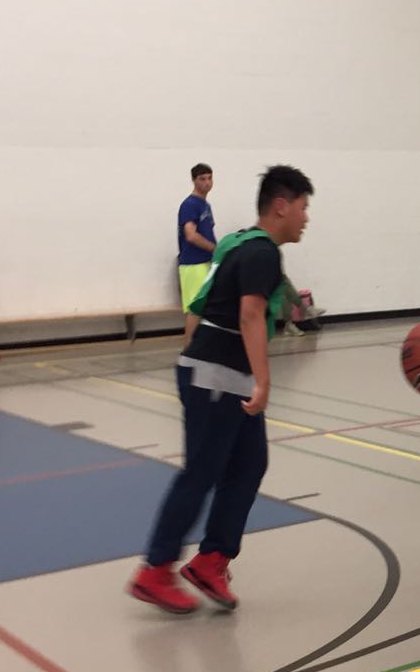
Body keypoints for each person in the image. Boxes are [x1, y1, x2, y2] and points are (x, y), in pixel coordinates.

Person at [128, 164, 313, 615]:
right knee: (202, 472)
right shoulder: (261, 252)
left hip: (228, 376)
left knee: (249, 464)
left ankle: (212, 560)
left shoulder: (241, 244)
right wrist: (264, 380)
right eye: (303, 208)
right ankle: (155, 570)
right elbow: (250, 316)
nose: (306, 218)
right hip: (214, 376)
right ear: (281, 206)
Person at [178, 163, 217, 342]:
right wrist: (214, 248)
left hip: (206, 262)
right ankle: (188, 351)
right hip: (193, 264)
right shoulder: (190, 205)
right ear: (194, 180)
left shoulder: (205, 205)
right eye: (202, 179)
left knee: (206, 307)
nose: (207, 182)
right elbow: (191, 235)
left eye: (209, 178)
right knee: (195, 309)